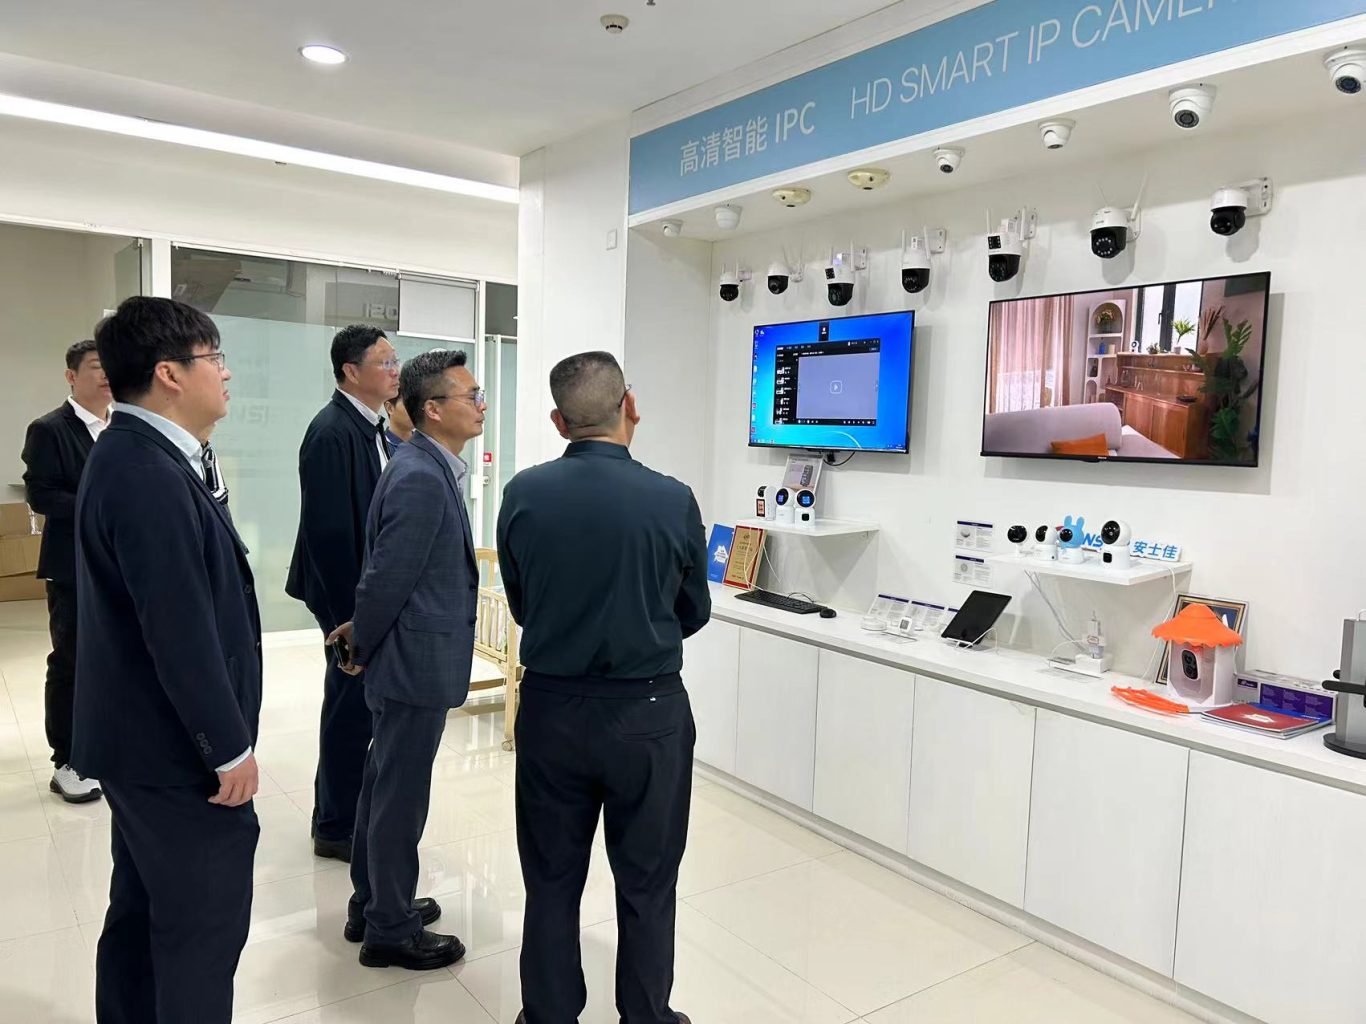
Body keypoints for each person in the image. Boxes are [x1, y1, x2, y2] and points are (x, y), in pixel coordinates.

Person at [497, 351, 710, 1024]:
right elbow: (694, 610)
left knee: (550, 879)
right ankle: (646, 1015)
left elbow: (523, 603)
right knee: (648, 880)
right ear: (631, 407)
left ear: (559, 422)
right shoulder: (672, 499)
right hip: (648, 714)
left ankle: (549, 1013)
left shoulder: (523, 494)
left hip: (552, 710)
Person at [72, 297, 261, 1024]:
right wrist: (228, 747)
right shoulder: (145, 471)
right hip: (173, 750)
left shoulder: (143, 454)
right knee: (201, 930)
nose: (226, 373)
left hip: (141, 742)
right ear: (169, 374)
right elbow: (177, 631)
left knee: (144, 909)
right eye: (215, 358)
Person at [327, 349, 484, 970]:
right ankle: (389, 928)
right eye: (471, 396)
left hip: (408, 657)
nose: (481, 406)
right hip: (413, 662)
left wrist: (363, 636)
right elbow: (388, 578)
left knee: (383, 782)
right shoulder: (421, 474)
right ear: (433, 409)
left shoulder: (424, 463)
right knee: (399, 796)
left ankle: (372, 901)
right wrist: (361, 643)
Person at [285, 324, 400, 861]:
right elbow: (328, 535)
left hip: (361, 598)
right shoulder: (331, 432)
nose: (395, 371)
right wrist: (346, 623)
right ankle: (335, 826)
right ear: (351, 371)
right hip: (345, 602)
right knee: (349, 710)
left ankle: (344, 816)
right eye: (385, 362)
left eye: (395, 361)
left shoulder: (370, 426)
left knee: (356, 709)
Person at [21, 339, 111, 803]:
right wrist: (103, 508)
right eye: (96, 366)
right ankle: (68, 761)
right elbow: (41, 495)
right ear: (71, 376)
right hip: (72, 566)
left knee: (113, 660)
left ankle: (105, 747)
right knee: (71, 660)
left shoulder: (122, 427)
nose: (106, 373)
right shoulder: (50, 429)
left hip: (117, 564)